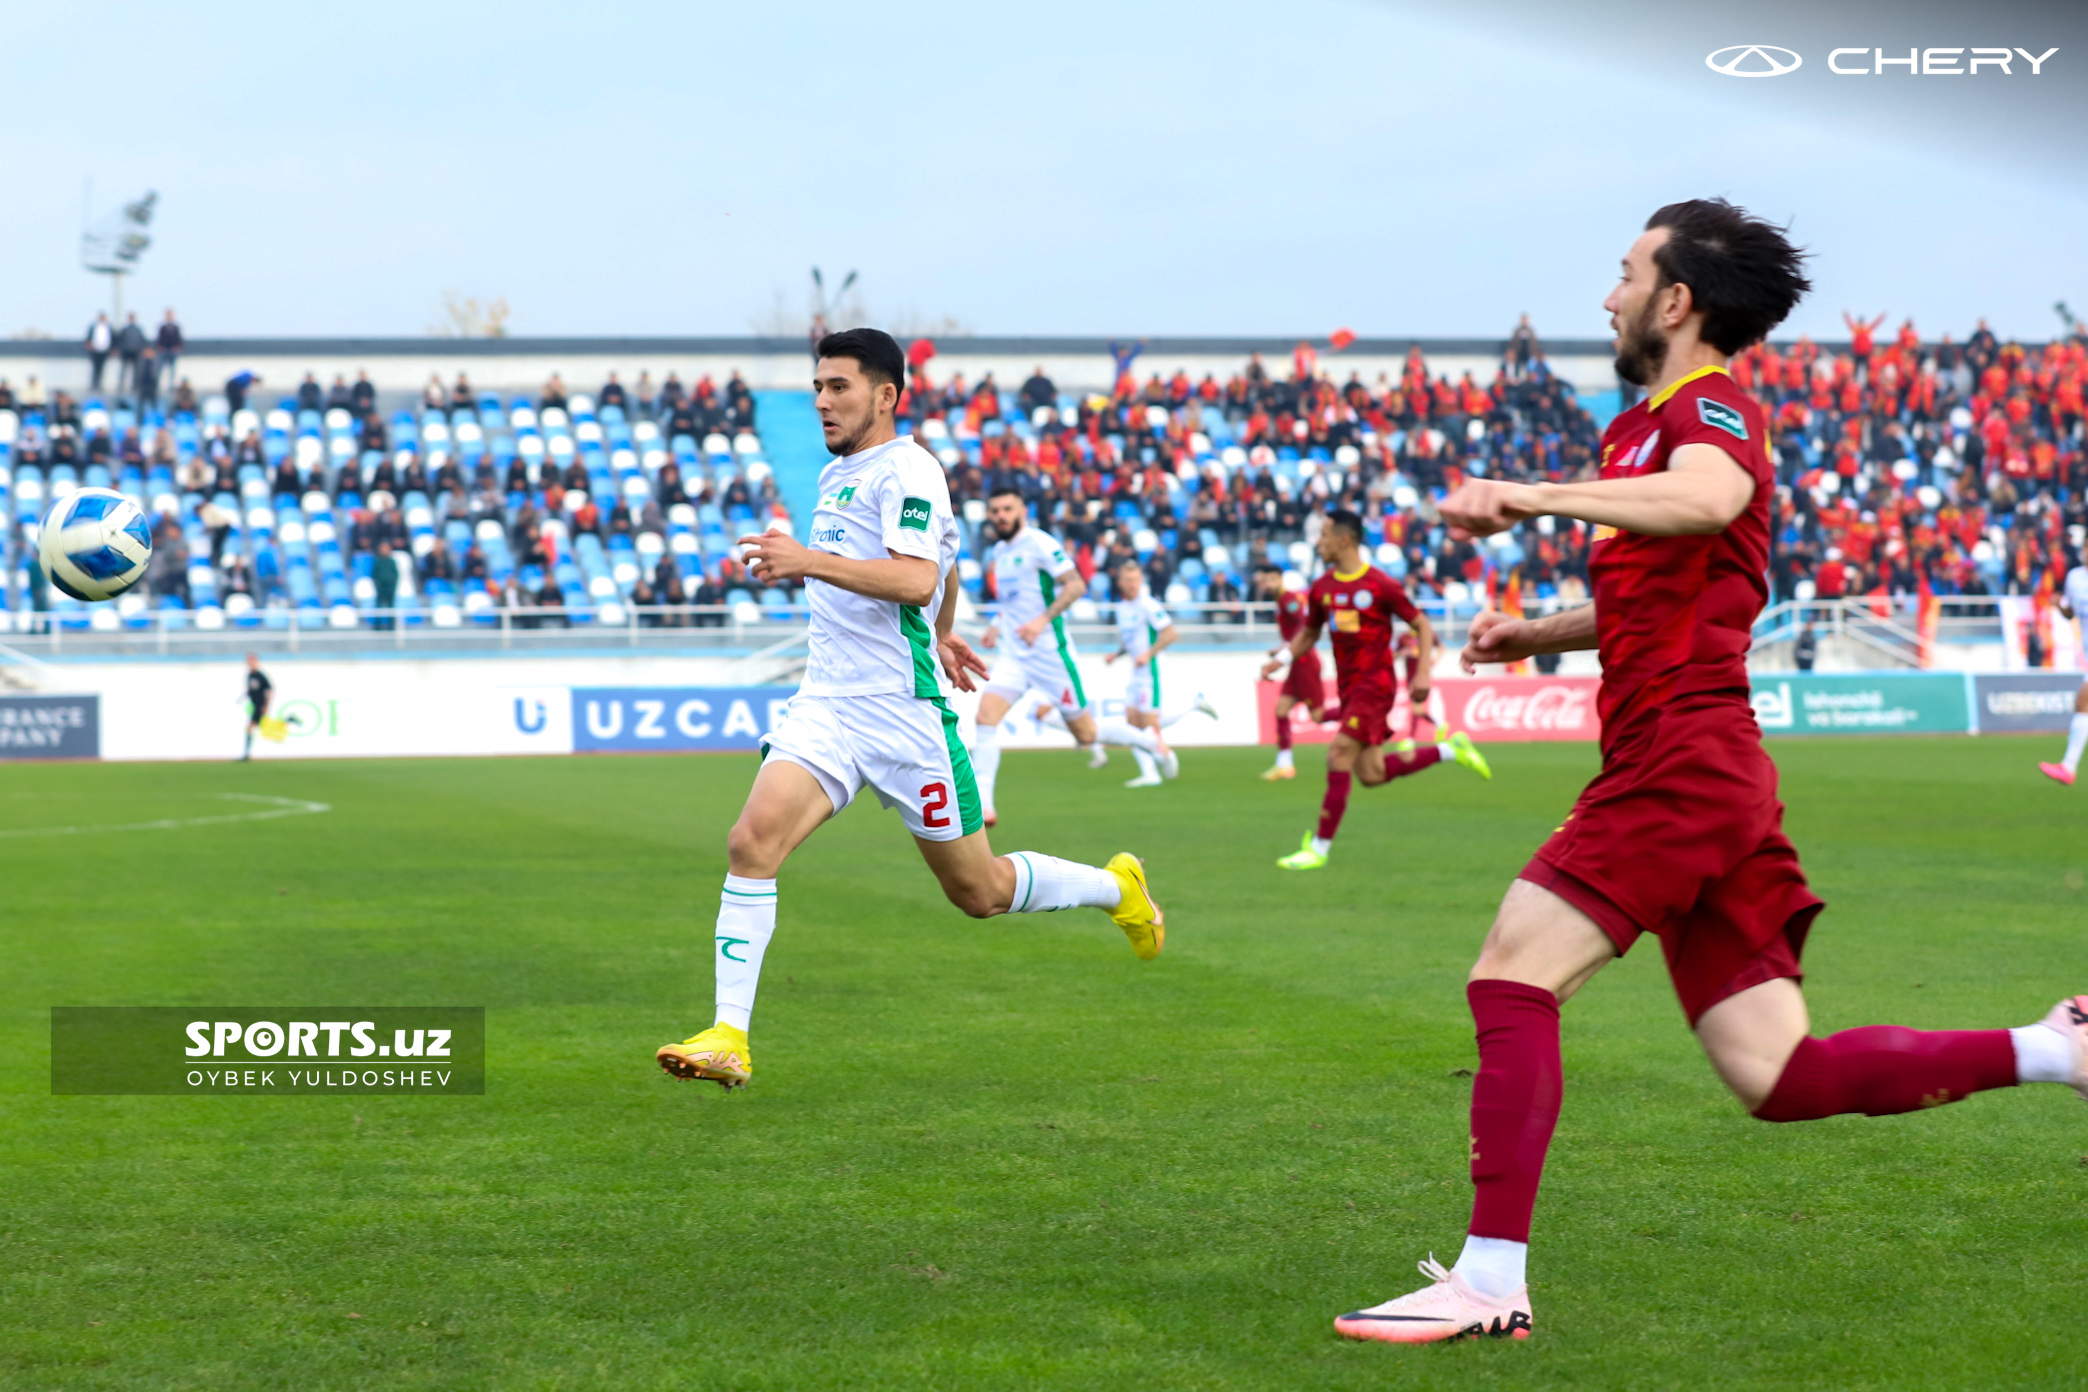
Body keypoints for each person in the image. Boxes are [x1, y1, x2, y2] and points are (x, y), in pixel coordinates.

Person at [1331, 198, 2088, 1347]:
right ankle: (2056, 1049)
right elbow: (1674, 573)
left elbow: (1714, 498)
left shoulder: (1710, 408)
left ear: (1675, 301)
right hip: (1702, 764)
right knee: (1777, 1076)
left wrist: (1530, 496)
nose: (1609, 294)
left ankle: (1490, 1278)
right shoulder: (1641, 432)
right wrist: (1539, 634)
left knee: (1511, 979)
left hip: (1681, 759)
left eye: (1627, 272)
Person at [654, 329, 1165, 1090]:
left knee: (979, 893)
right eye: (818, 388)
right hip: (826, 708)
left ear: (885, 395)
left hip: (904, 716)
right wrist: (948, 631)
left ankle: (1116, 888)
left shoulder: (909, 468)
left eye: (839, 387)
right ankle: (730, 1035)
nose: (823, 401)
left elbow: (917, 576)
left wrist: (809, 561)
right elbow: (944, 567)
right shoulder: (842, 475)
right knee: (750, 843)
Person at [1262, 510, 1490, 870]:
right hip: (1350, 688)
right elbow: (1308, 633)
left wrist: (1424, 675)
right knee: (1372, 774)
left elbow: (1422, 625)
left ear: (1344, 539)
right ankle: (1450, 750)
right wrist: (1283, 657)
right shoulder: (1322, 588)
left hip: (1376, 686)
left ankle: (1318, 848)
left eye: (1323, 536)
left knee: (1338, 755)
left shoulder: (1380, 585)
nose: (1318, 543)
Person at [970, 485, 1170, 827]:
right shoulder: (1000, 552)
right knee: (985, 718)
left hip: (1051, 655)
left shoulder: (1041, 543)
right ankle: (984, 807)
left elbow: (1076, 585)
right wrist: (997, 624)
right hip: (1014, 656)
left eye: (1007, 509)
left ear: (1022, 511)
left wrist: (1042, 621)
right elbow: (1014, 603)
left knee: (1087, 735)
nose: (1000, 516)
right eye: (995, 511)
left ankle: (1146, 741)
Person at [1105, 557, 1214, 787]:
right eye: (1128, 579)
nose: (1132, 583)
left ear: (1141, 580)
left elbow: (1171, 633)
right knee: (1133, 724)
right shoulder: (1122, 608)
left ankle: (1187, 713)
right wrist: (1117, 654)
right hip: (1136, 672)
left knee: (1149, 724)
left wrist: (1149, 653)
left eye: (1136, 579)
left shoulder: (1149, 605)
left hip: (1151, 671)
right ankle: (1149, 773)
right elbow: (1131, 640)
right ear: (1120, 582)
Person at [1257, 562, 1327, 780]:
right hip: (1297, 662)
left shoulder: (1288, 599)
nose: (1266, 584)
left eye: (1270, 580)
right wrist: (1283, 647)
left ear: (1279, 579)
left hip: (1304, 661)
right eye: (1264, 581)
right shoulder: (1281, 601)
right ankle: (1284, 764)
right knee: (1280, 710)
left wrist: (1284, 652)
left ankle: (1363, 711)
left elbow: (1304, 626)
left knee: (1318, 716)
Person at [2038, 560, 2088, 784]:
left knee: (2083, 704)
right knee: (2082, 705)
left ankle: (2068, 767)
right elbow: (2072, 613)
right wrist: (2059, 605)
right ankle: (2067, 767)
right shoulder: (2074, 578)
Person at [241, 654, 272, 761]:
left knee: (251, 727)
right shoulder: (249, 675)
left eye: (252, 660)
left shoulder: (260, 675)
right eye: (248, 660)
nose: (250, 662)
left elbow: (269, 690)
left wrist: (266, 705)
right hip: (255, 706)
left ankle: (246, 754)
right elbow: (250, 690)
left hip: (260, 705)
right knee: (264, 727)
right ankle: (246, 753)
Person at [115, 313, 147, 399]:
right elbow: (119, 340)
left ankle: (135, 386)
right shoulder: (124, 329)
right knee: (124, 370)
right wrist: (120, 349)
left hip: (136, 353)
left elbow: (143, 340)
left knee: (136, 371)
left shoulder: (138, 329)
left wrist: (141, 350)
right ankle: (121, 386)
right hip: (125, 352)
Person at [84, 313, 114, 392]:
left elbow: (113, 338)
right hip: (95, 350)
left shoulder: (109, 327)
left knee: (102, 368)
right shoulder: (94, 327)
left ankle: (100, 384)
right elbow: (89, 337)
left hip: (104, 350)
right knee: (95, 368)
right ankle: (94, 384)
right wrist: (89, 345)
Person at [155, 309, 184, 385]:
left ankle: (171, 385)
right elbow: (159, 339)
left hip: (173, 351)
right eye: (168, 315)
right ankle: (157, 385)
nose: (169, 317)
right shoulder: (162, 327)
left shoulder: (176, 327)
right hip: (164, 351)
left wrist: (178, 348)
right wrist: (160, 347)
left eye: (170, 315)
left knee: (172, 370)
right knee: (160, 369)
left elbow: (179, 339)